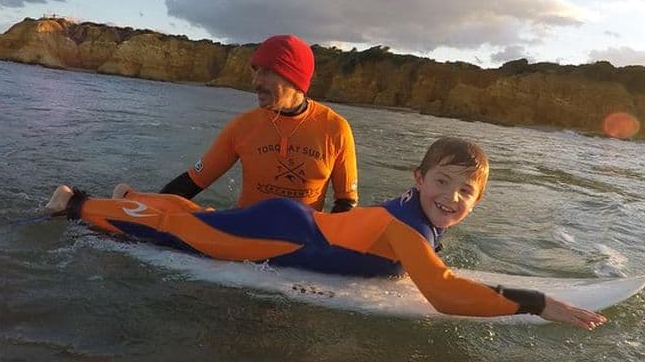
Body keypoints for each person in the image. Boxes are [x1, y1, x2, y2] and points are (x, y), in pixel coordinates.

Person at [44, 137, 606, 327]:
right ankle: (77, 202)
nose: (452, 198)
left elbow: (431, 270)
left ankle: (133, 195)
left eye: (466, 192)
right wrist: (536, 302)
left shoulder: (418, 215)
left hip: (295, 223)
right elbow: (442, 293)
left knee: (202, 218)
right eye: (443, 182)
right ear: (419, 179)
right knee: (177, 231)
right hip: (281, 235)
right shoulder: (407, 227)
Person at [160, 34, 358, 212]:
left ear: (295, 78)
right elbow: (193, 182)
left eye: (267, 72)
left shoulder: (335, 129)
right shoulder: (243, 126)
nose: (256, 82)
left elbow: (346, 201)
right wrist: (148, 206)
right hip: (244, 232)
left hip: (303, 236)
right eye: (256, 71)